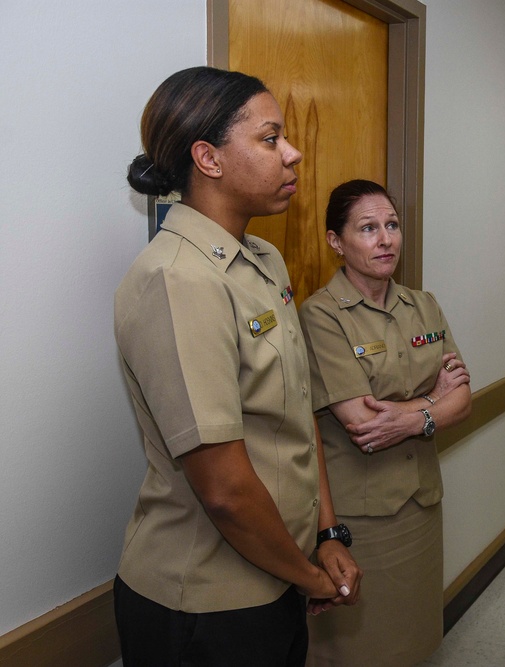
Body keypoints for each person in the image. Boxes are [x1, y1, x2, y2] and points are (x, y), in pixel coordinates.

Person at [113, 66, 361, 667]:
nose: (293, 153)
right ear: (209, 158)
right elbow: (223, 488)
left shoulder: (263, 259)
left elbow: (295, 417)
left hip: (277, 571)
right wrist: (306, 575)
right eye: (271, 138)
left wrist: (327, 534)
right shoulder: (177, 279)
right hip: (208, 602)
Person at [299, 179, 472, 666]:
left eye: (392, 226)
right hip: (363, 513)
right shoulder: (322, 315)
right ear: (337, 241)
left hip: (421, 500)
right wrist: (431, 402)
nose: (386, 239)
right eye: (368, 228)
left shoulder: (424, 305)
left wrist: (412, 412)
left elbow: (463, 400)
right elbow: (363, 424)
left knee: (414, 635)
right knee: (360, 645)